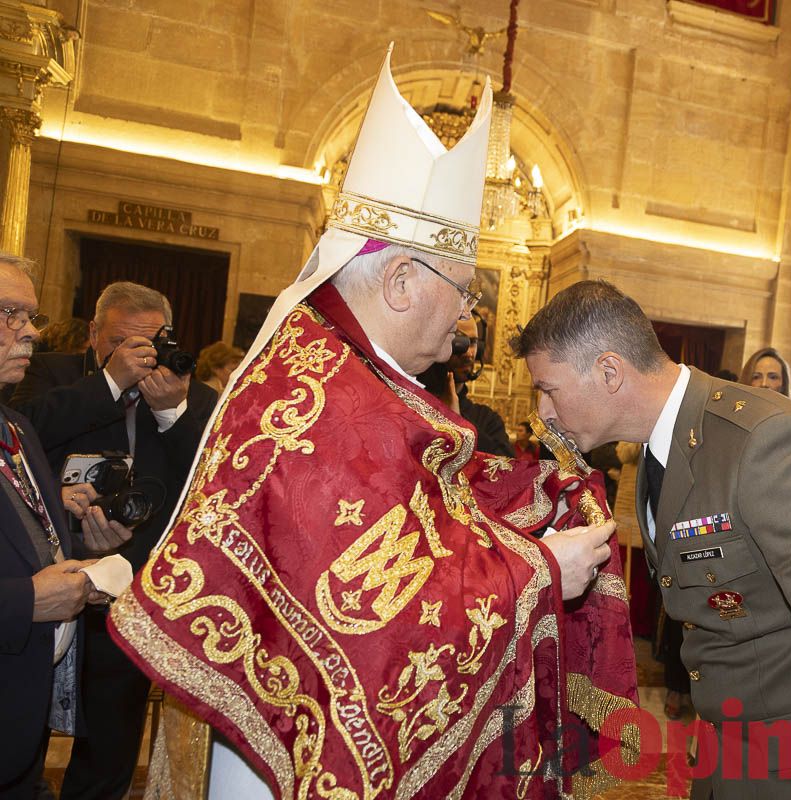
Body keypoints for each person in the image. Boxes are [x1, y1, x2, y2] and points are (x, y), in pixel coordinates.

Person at [106, 49, 635, 799]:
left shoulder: (344, 369)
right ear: (398, 281)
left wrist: (530, 500)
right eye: (462, 290)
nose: (467, 316)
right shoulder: (325, 397)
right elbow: (374, 612)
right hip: (281, 753)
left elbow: (412, 518)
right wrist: (543, 569)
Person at [515, 280, 791, 799]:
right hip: (731, 753)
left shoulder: (766, 441)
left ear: (609, 371)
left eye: (549, 389)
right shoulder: (662, 447)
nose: (544, 412)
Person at [10, 280, 218, 800]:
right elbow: (26, 429)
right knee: (21, 732)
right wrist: (108, 382)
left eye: (146, 342)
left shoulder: (187, 391)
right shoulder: (48, 372)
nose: (136, 356)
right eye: (120, 342)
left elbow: (212, 477)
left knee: (110, 745)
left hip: (127, 587)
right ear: (93, 334)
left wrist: (171, 411)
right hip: (41, 582)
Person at [0, 254, 132, 797]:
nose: (29, 332)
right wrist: (24, 602)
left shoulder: (17, 427)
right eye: (10, 313)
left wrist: (78, 556)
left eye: (30, 315)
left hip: (19, 727)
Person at [447, 311, 514, 457]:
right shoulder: (409, 402)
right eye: (460, 341)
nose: (469, 353)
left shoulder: (487, 420)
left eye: (474, 342)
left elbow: (507, 470)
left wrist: (460, 423)